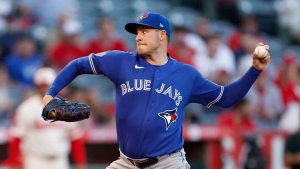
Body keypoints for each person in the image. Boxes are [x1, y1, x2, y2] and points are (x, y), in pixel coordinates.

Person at [42, 12, 270, 169]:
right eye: (137, 32)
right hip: (127, 162)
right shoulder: (121, 61)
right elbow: (77, 65)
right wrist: (50, 94)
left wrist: (255, 70)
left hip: (168, 163)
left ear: (163, 36)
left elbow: (226, 97)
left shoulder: (186, 75)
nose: (138, 36)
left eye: (145, 31)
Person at [4, 67, 86, 169]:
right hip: (35, 160)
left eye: (48, 85)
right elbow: (17, 137)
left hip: (59, 160)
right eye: (41, 86)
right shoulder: (26, 108)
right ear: (37, 86)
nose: (45, 88)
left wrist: (80, 164)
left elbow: (75, 139)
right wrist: (15, 163)